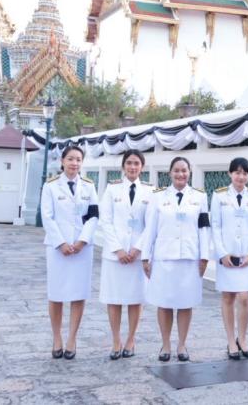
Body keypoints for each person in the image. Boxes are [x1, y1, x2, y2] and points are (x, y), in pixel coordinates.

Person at [141, 156, 210, 363]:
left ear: (190, 172)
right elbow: (150, 228)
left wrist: (204, 256)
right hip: (164, 258)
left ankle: (181, 344)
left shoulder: (200, 197)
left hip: (189, 258)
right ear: (170, 173)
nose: (181, 174)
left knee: (186, 303)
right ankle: (165, 344)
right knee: (164, 303)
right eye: (177, 170)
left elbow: (204, 228)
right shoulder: (158, 197)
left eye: (184, 170)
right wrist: (145, 256)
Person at [41, 145, 99, 360]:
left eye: (78, 159)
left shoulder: (89, 186)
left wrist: (82, 241)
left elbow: (94, 216)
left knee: (78, 293)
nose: (74, 163)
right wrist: (61, 243)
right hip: (58, 249)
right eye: (71, 159)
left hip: (82, 249)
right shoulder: (51, 186)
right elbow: (47, 216)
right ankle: (57, 338)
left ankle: (72, 339)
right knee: (56, 294)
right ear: (62, 161)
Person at [98, 149, 154, 360]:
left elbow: (151, 224)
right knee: (114, 299)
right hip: (115, 255)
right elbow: (105, 221)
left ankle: (131, 339)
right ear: (123, 166)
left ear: (142, 167)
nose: (132, 167)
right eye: (129, 163)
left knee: (135, 299)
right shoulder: (112, 189)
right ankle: (115, 340)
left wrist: (137, 248)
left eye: (136, 163)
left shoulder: (150, 191)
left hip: (137, 255)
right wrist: (118, 249)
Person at [211, 156, 248, 360]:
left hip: (246, 256)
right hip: (227, 254)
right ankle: (231, 341)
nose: (241, 177)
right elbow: (215, 226)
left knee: (244, 297)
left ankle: (243, 338)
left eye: (245, 173)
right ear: (230, 174)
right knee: (228, 297)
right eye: (237, 172)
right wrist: (222, 253)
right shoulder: (219, 196)